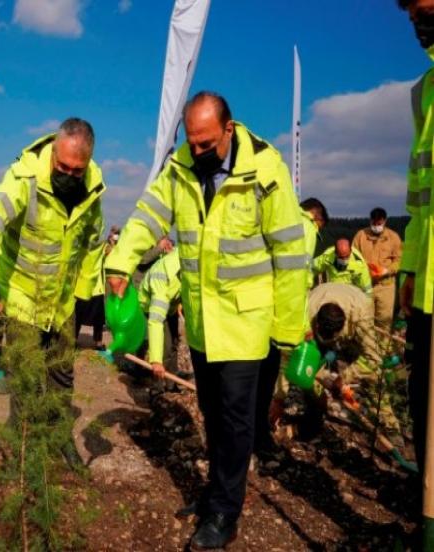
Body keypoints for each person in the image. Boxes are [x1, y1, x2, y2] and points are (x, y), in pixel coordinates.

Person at [106, 92, 307, 549]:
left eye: (206, 143)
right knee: (212, 416)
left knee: (236, 420)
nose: (197, 151)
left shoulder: (266, 170)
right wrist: (120, 262)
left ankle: (224, 513)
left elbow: (291, 254)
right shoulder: (179, 167)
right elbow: (147, 216)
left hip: (246, 325)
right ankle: (216, 492)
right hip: (201, 322)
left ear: (229, 130)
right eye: (191, 142)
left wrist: (289, 330)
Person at [0, 118, 106, 467]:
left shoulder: (93, 189)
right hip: (23, 294)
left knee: (61, 373)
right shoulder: (24, 177)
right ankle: (22, 450)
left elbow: (92, 241)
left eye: (76, 170)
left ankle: (59, 438)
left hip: (62, 300)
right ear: (53, 153)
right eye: (62, 167)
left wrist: (85, 293)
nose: (68, 175)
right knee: (25, 376)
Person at [254, 196, 329, 454]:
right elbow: (296, 276)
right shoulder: (306, 228)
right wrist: (299, 322)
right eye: (321, 227)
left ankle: (259, 421)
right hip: (286, 306)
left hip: (261, 300)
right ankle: (263, 429)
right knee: (281, 363)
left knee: (262, 365)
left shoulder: (282, 215)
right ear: (316, 218)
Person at [397, 0, 434, 513]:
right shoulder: (422, 91)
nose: (418, 21)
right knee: (422, 401)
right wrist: (408, 269)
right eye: (411, 13)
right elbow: (418, 199)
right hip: (425, 281)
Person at [302, 283, 402, 443]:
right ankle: (315, 412)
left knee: (374, 377)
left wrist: (344, 378)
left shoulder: (360, 315)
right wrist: (318, 380)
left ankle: (390, 425)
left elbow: (373, 360)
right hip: (319, 304)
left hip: (356, 308)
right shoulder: (307, 312)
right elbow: (299, 360)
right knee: (308, 372)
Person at [352, 207, 402, 330]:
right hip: (365, 285)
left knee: (384, 322)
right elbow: (353, 258)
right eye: (374, 223)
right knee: (363, 321)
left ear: (384, 221)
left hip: (386, 287)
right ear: (370, 221)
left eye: (379, 224)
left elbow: (400, 260)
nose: (376, 226)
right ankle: (367, 349)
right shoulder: (360, 236)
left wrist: (387, 270)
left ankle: (383, 349)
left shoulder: (393, 237)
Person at [137, 246, 182, 382]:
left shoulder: (190, 259)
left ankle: (171, 381)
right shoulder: (163, 276)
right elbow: (156, 321)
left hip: (171, 307)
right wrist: (156, 361)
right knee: (163, 348)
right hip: (150, 307)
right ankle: (157, 388)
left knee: (174, 343)